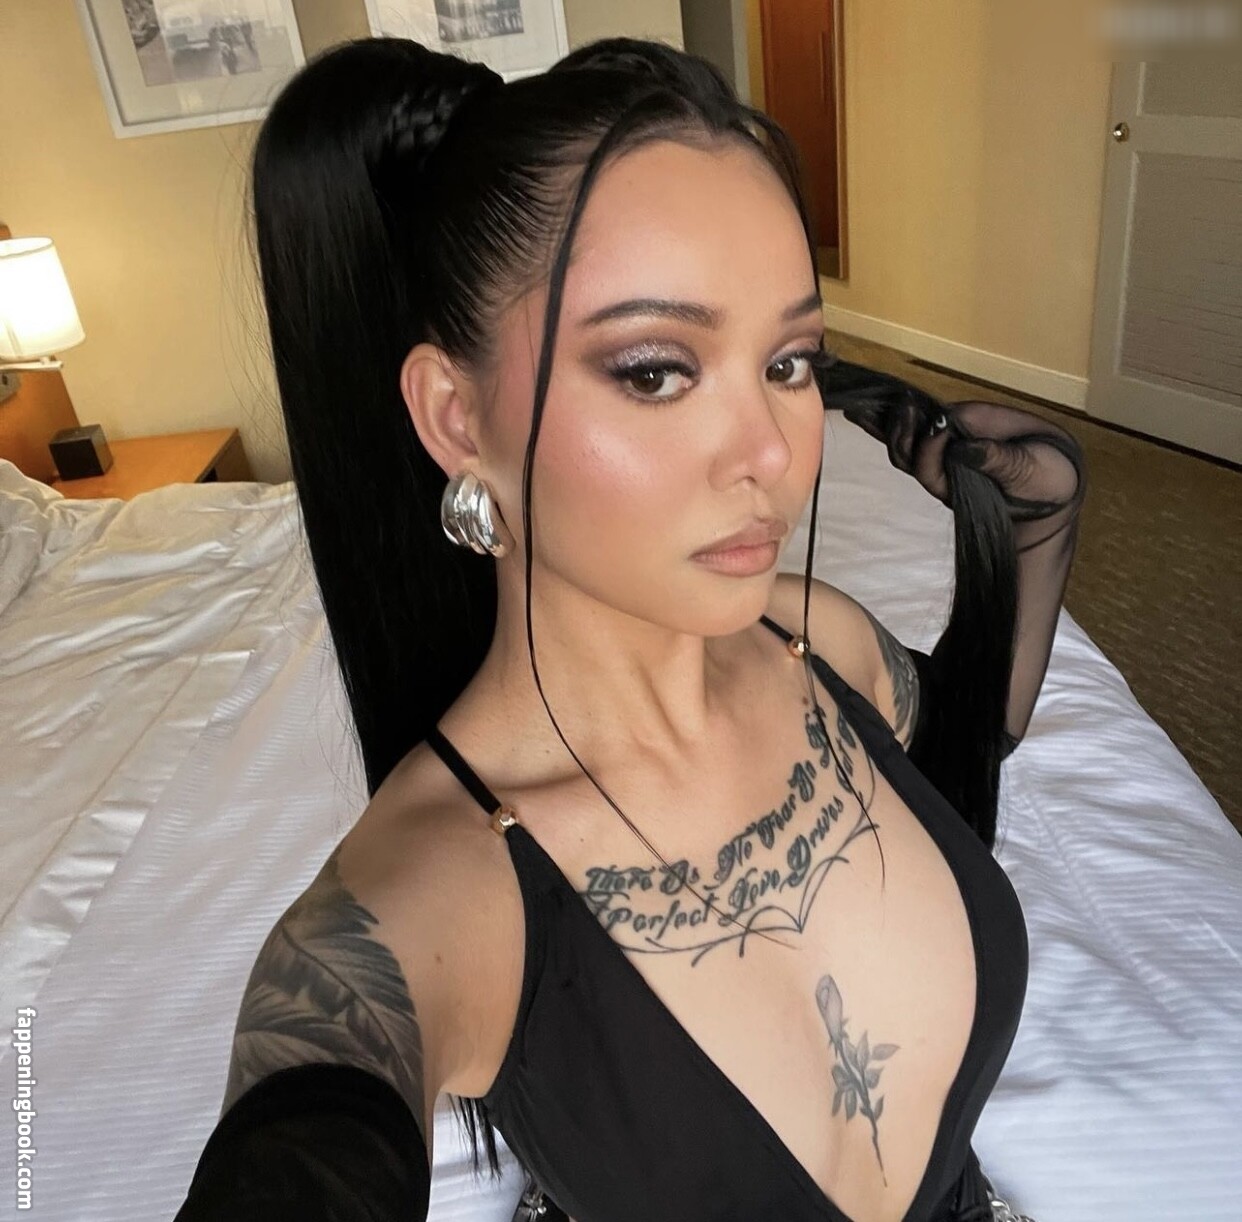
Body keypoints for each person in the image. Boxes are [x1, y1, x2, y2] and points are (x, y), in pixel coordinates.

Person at [175, 34, 1084, 1222]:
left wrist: (1029, 532)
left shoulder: (819, 642)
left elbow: (961, 750)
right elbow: (306, 1134)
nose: (771, 455)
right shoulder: (432, 897)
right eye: (656, 371)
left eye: (789, 362)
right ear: (456, 416)